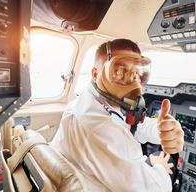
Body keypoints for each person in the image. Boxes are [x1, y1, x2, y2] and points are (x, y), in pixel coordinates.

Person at [51, 39, 184, 191]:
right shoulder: (104, 128)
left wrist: (162, 130)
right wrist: (160, 167)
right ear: (96, 74)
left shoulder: (87, 103)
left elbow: (132, 125)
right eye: (119, 72)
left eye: (138, 74)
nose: (133, 82)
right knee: (167, 161)